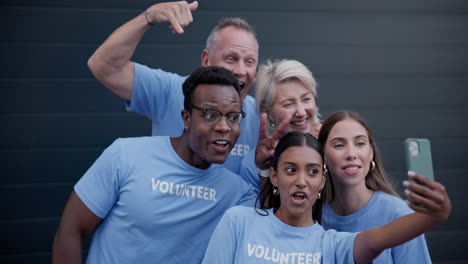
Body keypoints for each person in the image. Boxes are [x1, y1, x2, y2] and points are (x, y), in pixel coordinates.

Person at [52, 66, 256, 264]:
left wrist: (268, 163)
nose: (223, 127)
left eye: (233, 117)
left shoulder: (237, 193)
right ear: (186, 117)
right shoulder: (125, 155)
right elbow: (71, 230)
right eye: (210, 115)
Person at [201, 131, 451, 264]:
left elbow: (377, 240)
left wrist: (435, 215)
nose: (301, 180)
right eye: (290, 170)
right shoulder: (238, 221)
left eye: (312, 171)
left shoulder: (332, 245)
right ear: (274, 177)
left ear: (322, 180)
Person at [87, 1, 260, 174]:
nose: (240, 70)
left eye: (250, 62)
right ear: (206, 60)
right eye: (231, 59)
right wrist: (149, 17)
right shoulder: (169, 91)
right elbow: (103, 66)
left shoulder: (260, 116)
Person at [317, 110, 433, 263]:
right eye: (339, 145)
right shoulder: (312, 215)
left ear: (371, 152)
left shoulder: (400, 215)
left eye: (360, 143)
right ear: (322, 156)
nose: (351, 154)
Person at [239, 59, 322, 193]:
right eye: (289, 104)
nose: (301, 112)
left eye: (306, 99)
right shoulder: (253, 165)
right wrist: (264, 171)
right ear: (268, 111)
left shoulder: (333, 142)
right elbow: (258, 213)